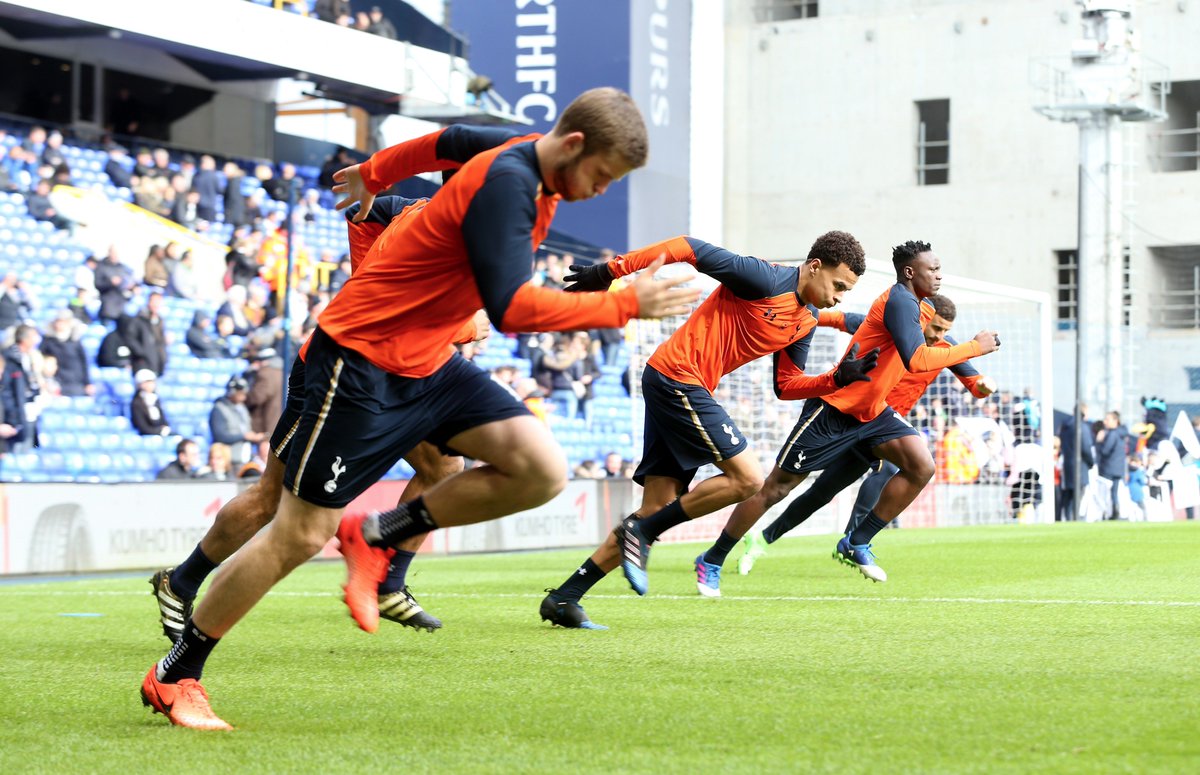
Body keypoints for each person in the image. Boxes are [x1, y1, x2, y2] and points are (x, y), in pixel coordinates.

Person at [139, 87, 697, 730]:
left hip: (427, 360)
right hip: (359, 362)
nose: (601, 191)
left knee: (539, 467)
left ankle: (376, 535)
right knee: (299, 533)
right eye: (601, 176)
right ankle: (175, 674)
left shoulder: (522, 152)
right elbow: (512, 309)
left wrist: (375, 172)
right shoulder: (510, 187)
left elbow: (449, 140)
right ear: (573, 145)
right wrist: (625, 305)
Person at [539, 231, 874, 627]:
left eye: (846, 291)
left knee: (656, 507)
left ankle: (564, 597)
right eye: (838, 285)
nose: (839, 297)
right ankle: (641, 533)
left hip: (679, 382)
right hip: (677, 378)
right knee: (748, 479)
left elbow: (786, 385)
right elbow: (689, 247)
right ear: (815, 266)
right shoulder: (765, 279)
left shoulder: (806, 321)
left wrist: (835, 379)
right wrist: (611, 271)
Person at [696, 241, 1001, 587]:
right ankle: (713, 557)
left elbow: (958, 370)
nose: (939, 275)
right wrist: (975, 346)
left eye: (939, 268)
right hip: (834, 409)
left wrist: (979, 378)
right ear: (909, 272)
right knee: (777, 489)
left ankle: (856, 541)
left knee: (921, 466)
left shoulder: (921, 313)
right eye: (932, 269)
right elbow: (916, 359)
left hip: (873, 413)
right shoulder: (899, 301)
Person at [208, 376, 264, 465]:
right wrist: (244, 436)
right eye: (241, 394)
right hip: (228, 461)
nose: (244, 398)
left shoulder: (242, 408)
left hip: (244, 458)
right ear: (232, 392)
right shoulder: (219, 409)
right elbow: (220, 436)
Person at [39, 309, 93, 397]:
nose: (58, 325)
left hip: (76, 382)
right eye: (57, 321)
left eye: (62, 322)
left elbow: (84, 361)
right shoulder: (48, 340)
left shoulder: (75, 340)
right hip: (57, 382)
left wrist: (87, 383)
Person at [1095, 410, 1129, 520]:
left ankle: (1108, 513)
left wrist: (1099, 442)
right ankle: (1115, 512)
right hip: (1117, 468)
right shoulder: (1121, 434)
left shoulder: (1112, 434)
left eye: (1107, 419)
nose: (1105, 422)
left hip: (1108, 468)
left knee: (1105, 492)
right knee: (1114, 492)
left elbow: (1105, 451)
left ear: (1116, 421)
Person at [130, 369, 171, 436]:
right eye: (147, 382)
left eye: (152, 382)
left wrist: (165, 428)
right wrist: (158, 431)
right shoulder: (137, 403)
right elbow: (142, 427)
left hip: (159, 432)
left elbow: (163, 420)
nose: (151, 385)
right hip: (146, 435)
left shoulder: (156, 399)